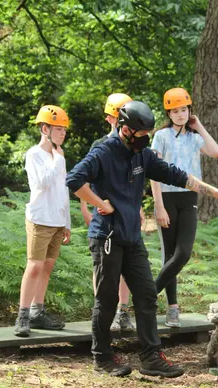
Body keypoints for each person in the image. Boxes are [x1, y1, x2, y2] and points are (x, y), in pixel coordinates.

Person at [66, 101, 218, 378]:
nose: (146, 140)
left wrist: (217, 193)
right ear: (125, 130)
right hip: (107, 235)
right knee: (107, 299)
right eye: (142, 135)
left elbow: (176, 175)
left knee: (147, 295)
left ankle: (151, 357)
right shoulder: (103, 151)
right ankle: (102, 356)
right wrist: (99, 203)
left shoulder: (143, 155)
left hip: (132, 236)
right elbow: (74, 179)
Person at [150, 88, 218, 327]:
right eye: (175, 111)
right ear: (168, 114)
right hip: (167, 198)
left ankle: (148, 295)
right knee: (169, 254)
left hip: (189, 197)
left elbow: (215, 152)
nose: (180, 114)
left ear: (189, 111)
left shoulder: (194, 137)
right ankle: (172, 308)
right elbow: (154, 173)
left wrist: (198, 125)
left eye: (184, 110)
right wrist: (158, 206)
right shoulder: (161, 136)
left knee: (184, 253)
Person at [13, 106, 72, 337]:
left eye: (64, 129)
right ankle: (23, 315)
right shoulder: (34, 154)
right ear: (45, 129)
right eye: (58, 129)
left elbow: (63, 189)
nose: (63, 133)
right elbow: (41, 184)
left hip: (57, 220)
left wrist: (66, 222)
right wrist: (58, 161)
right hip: (39, 219)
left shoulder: (59, 156)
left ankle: (38, 312)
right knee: (34, 266)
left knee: (47, 267)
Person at [80, 93, 136, 332]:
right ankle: (104, 313)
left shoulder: (135, 146)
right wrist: (89, 207)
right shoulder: (100, 146)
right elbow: (83, 182)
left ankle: (123, 312)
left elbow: (135, 180)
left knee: (126, 266)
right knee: (104, 269)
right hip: (105, 217)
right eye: (118, 115)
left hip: (127, 216)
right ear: (110, 119)